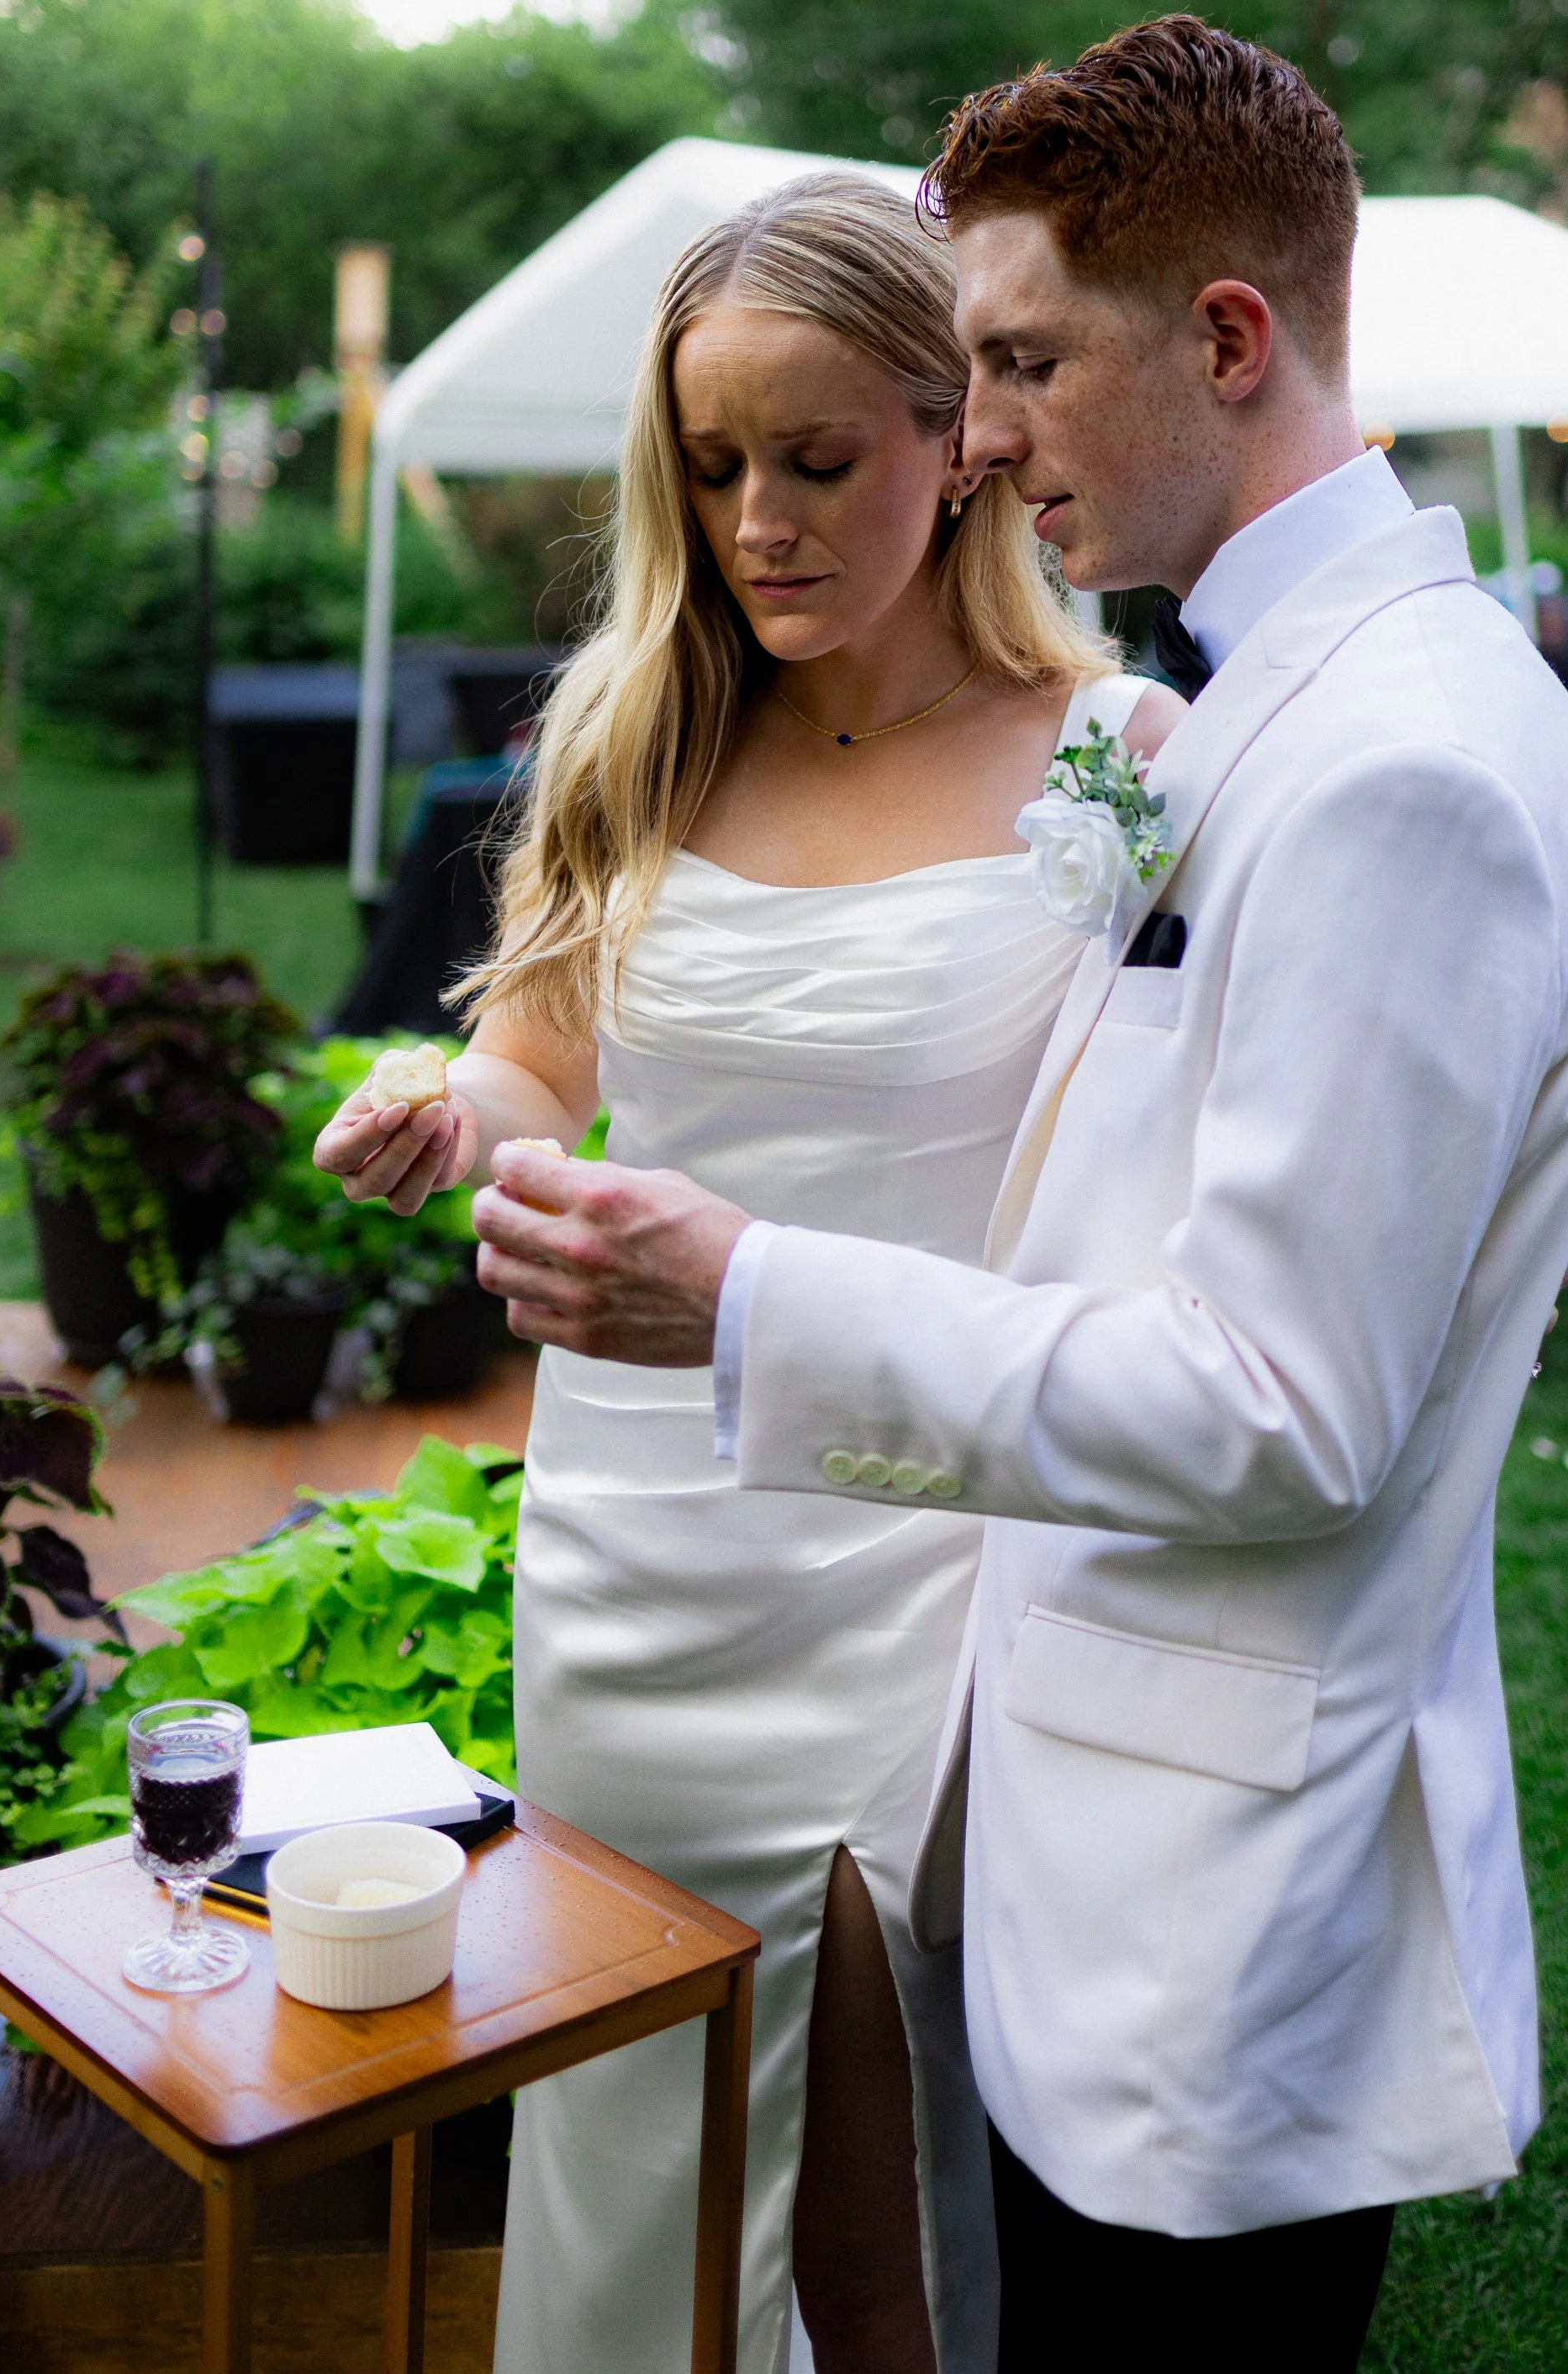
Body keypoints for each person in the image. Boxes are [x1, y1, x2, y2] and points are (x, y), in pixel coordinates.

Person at [461, 16, 1568, 2373]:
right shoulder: (1288, 697)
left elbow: (1282, 1402)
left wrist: (750, 1287)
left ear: (1220, 338)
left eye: (1008, 359)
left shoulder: (1387, 759)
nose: (974, 428)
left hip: (1207, 1861)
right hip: (1036, 1759)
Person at [313, 172, 1179, 2374]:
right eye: (710, 467)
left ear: (952, 427)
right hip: (635, 1537)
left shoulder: (1117, 756)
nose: (757, 519)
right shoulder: (637, 724)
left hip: (920, 1523)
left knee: (877, 2163)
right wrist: (460, 1117)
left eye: (816, 459)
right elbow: (539, 1049)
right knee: (644, 2113)